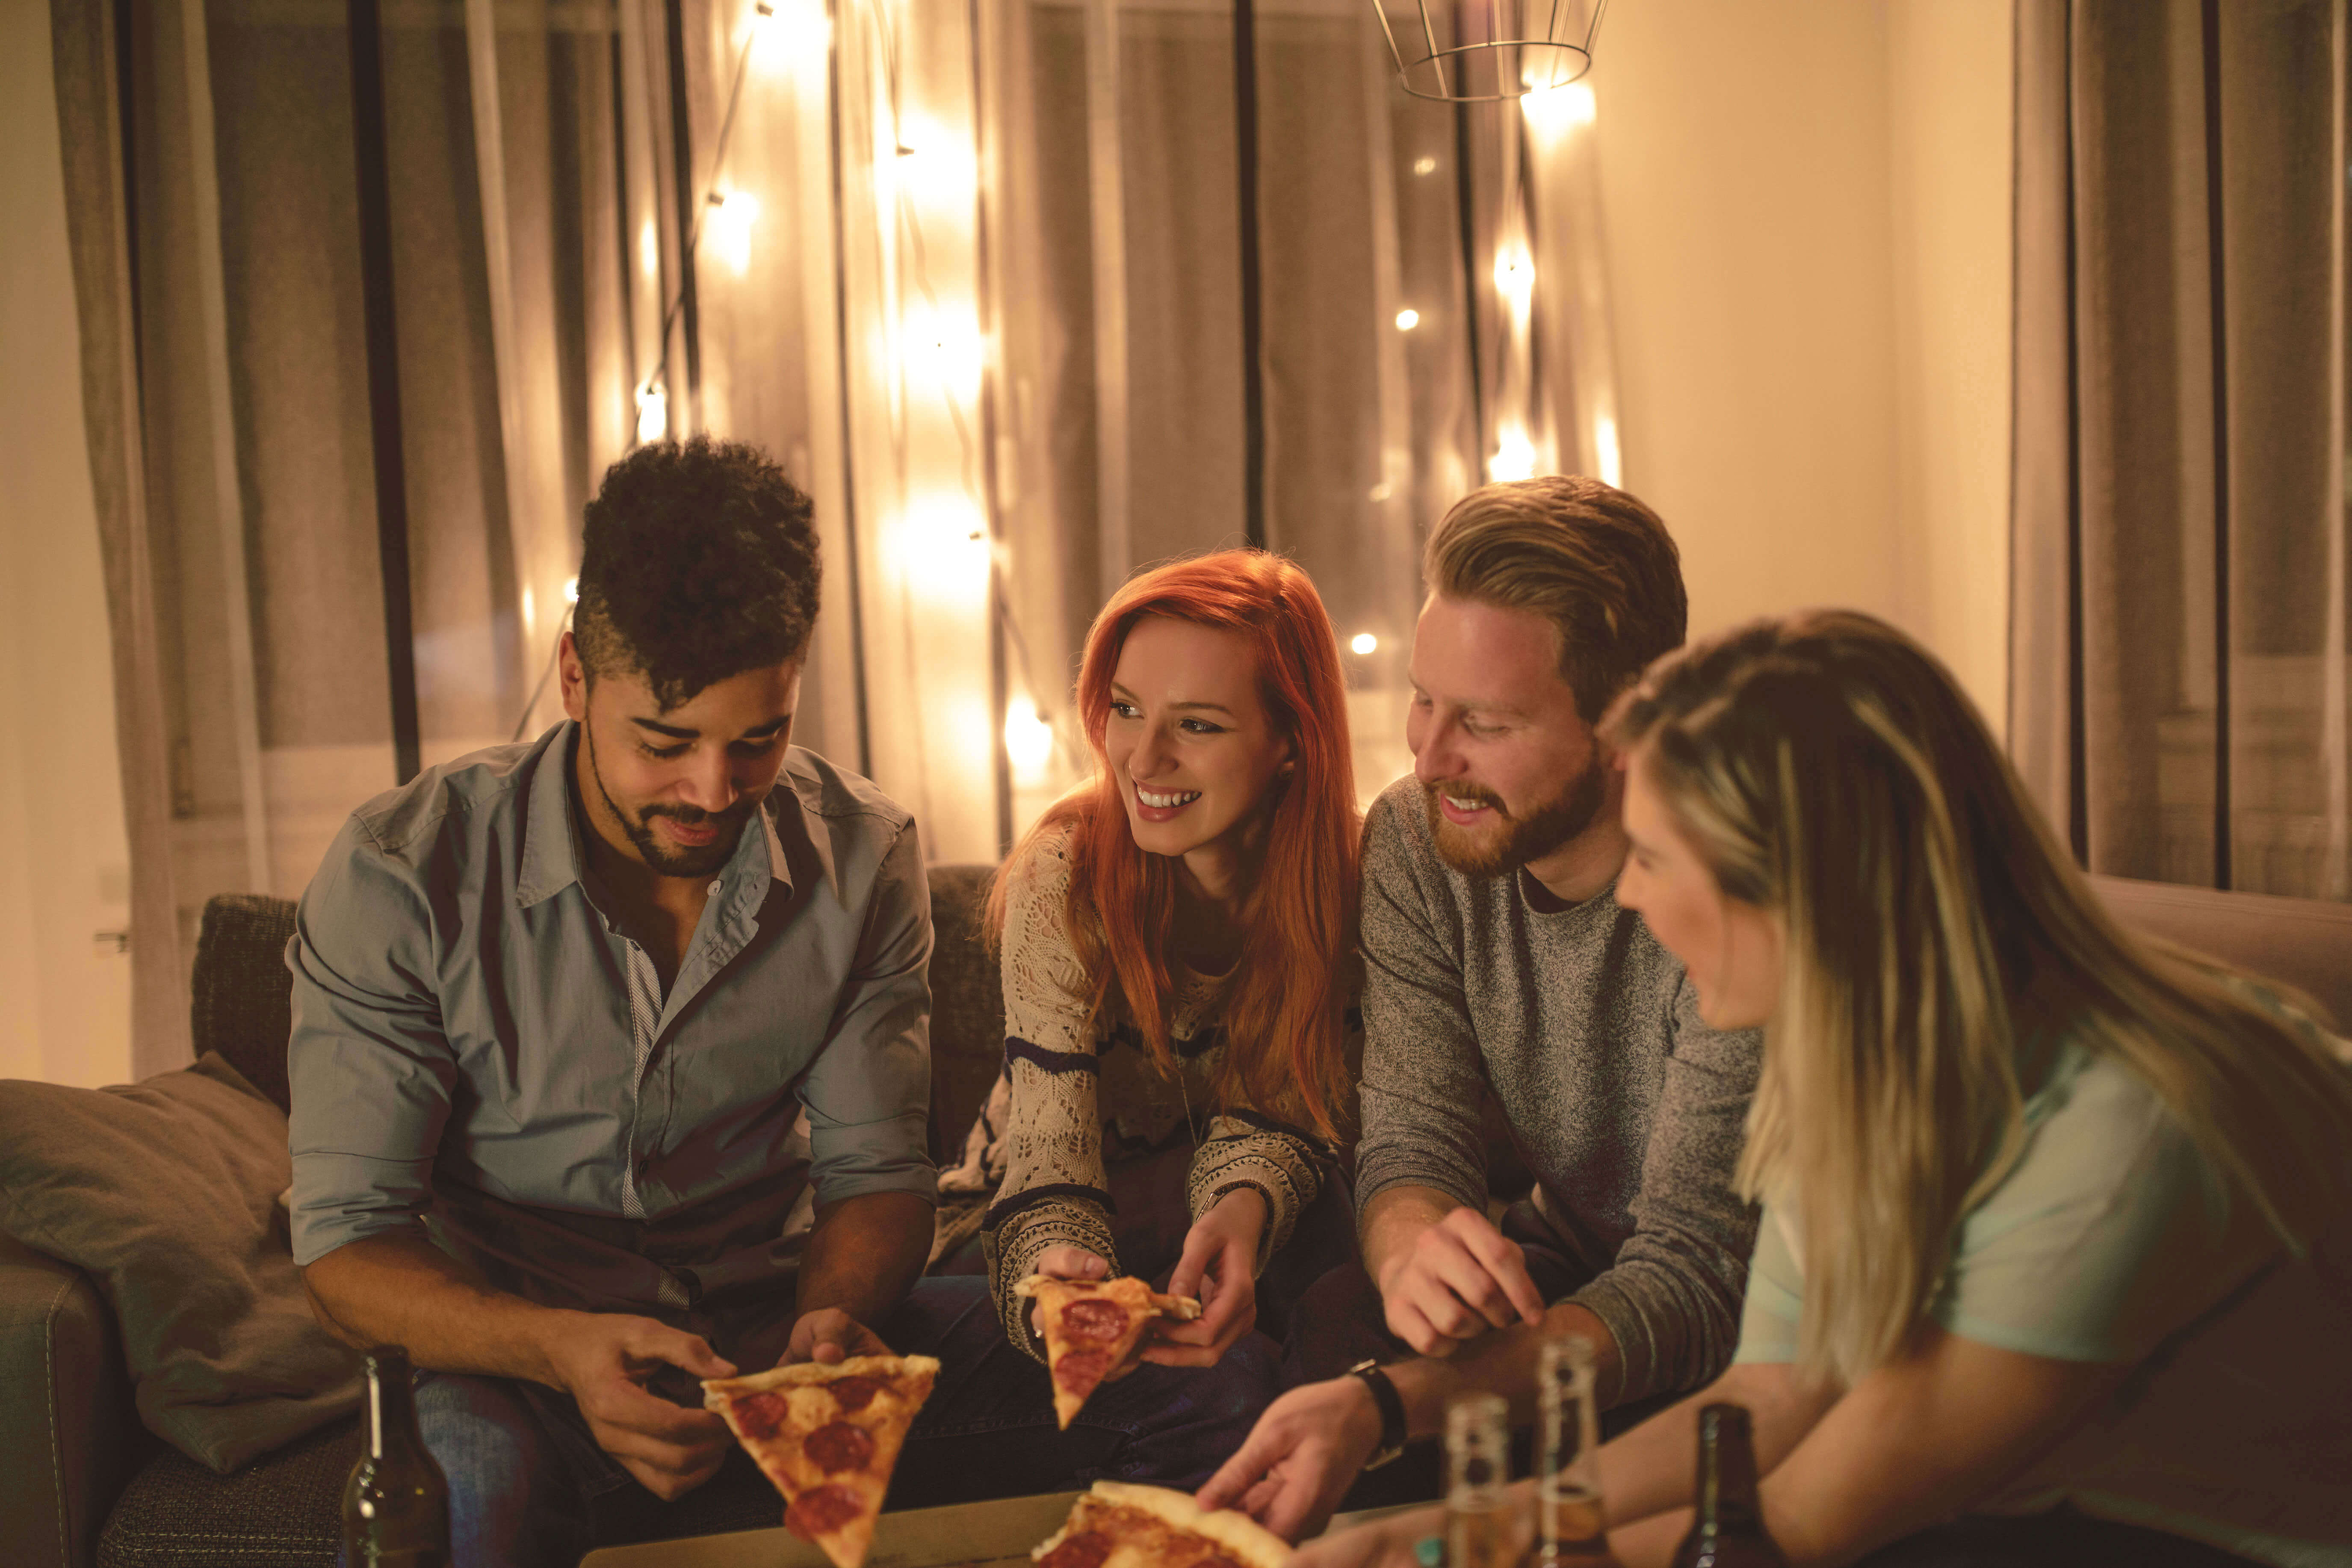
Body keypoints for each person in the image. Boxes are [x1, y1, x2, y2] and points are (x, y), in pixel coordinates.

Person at [286, 438, 1270, 1568]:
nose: (713, 792)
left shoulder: (862, 854)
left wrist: (833, 1318)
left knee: (1206, 1381)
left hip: (771, 1330)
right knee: (461, 1506)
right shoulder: (404, 872)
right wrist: (560, 1349)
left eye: (757, 740)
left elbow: (874, 1179)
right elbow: (347, 1248)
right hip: (512, 1359)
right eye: (665, 743)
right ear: (573, 677)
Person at [1296, 609, 2352, 1568]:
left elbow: (1798, 1523)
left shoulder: (2125, 1126)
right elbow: (1773, 1393)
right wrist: (1425, 1534)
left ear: (1799, 881)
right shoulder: (1852, 1065)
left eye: (1656, 858)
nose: (1627, 894)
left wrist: (1439, 1554)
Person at [1201, 477, 1763, 1539]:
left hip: (1735, 1310)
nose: (1426, 757)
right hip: (1564, 1257)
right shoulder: (1417, 838)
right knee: (1337, 1314)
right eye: (1424, 699)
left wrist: (1388, 1407)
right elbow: (1414, 1134)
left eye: (1486, 723)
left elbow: (1696, 1276)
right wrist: (1413, 1247)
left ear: (1628, 725)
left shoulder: (1724, 890)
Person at [937, 550, 1361, 1374]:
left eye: (1197, 724)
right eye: (1126, 709)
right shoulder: (1064, 874)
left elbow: (1291, 1108)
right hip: (1020, 1221)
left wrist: (1244, 1207)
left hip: (1238, 1210)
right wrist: (1062, 1271)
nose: (1141, 758)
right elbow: (1049, 1160)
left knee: (1333, 1256)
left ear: (1290, 741)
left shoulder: (1353, 880)